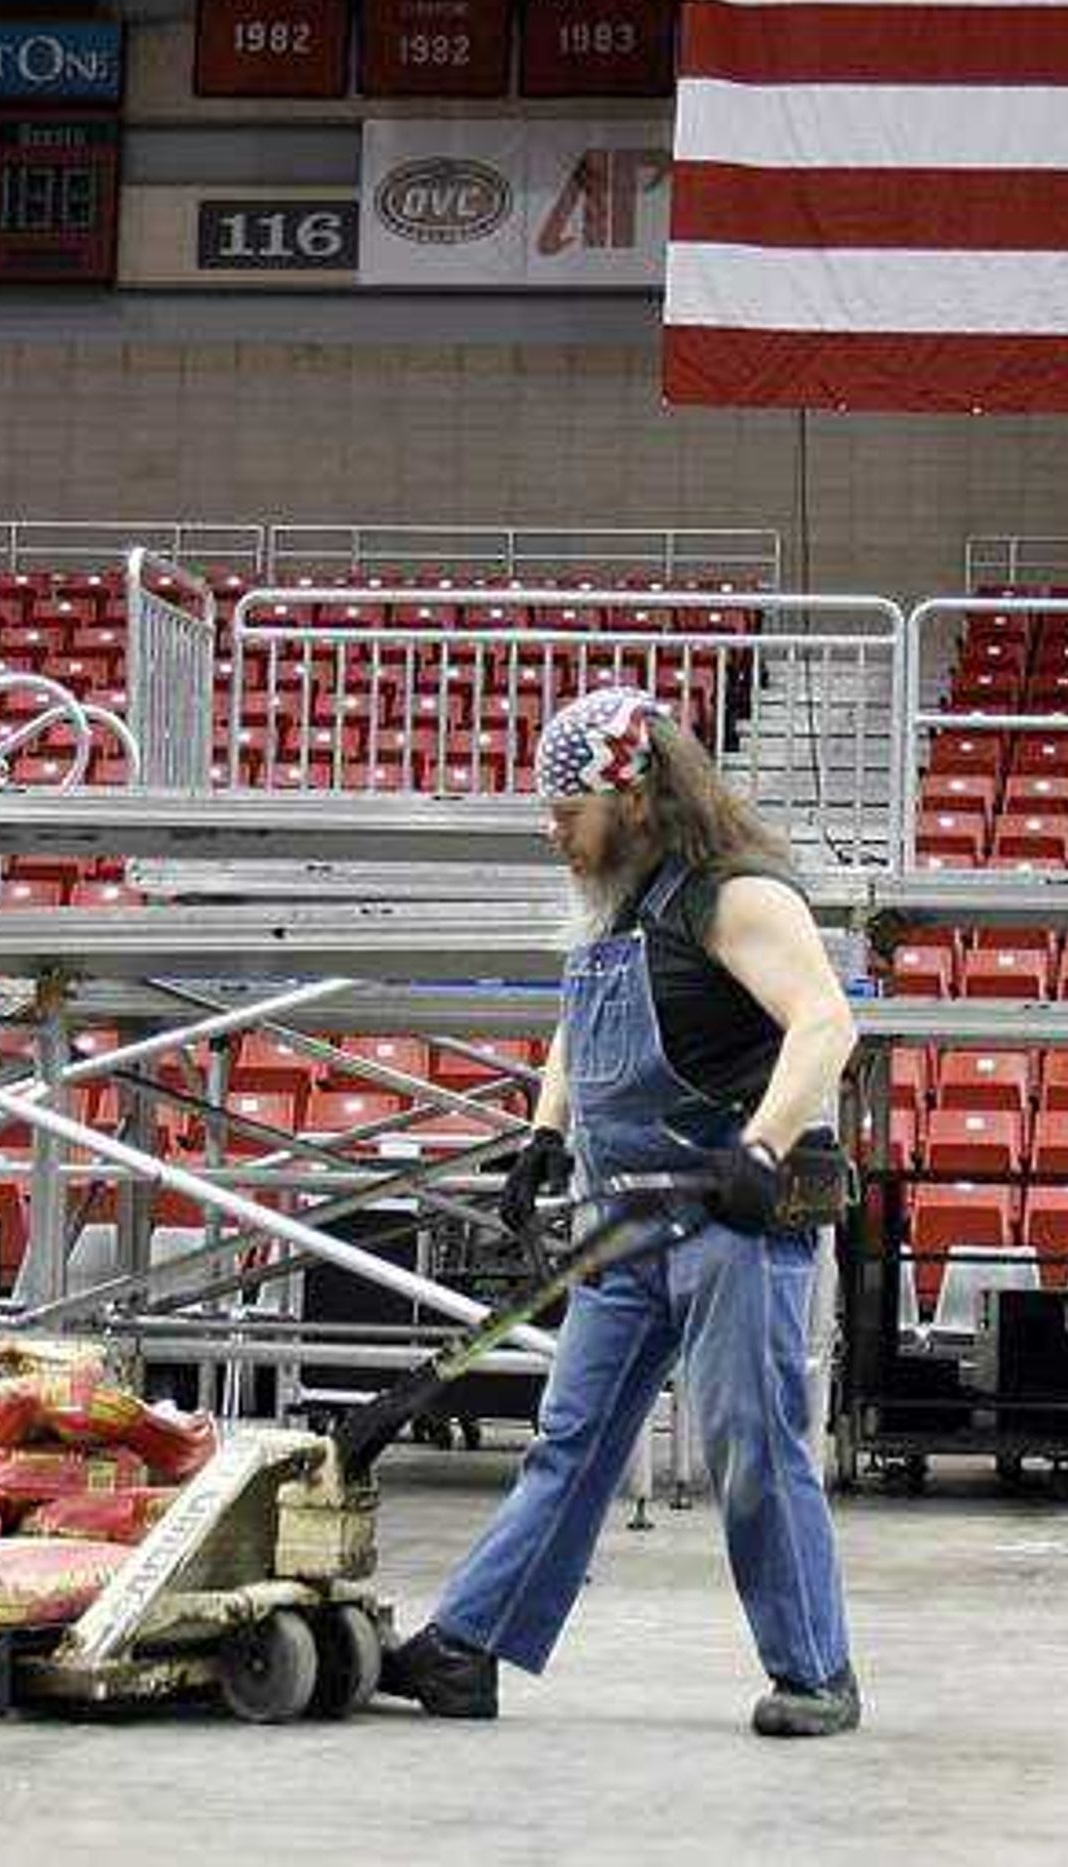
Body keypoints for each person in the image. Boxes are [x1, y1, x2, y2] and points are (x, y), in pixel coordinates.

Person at [374, 682, 864, 1738]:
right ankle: (470, 1644)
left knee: (749, 1439)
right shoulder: (618, 904)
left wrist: (761, 1147)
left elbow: (826, 1024)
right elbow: (582, 1018)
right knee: (573, 1434)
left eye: (567, 811)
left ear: (635, 797)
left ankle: (816, 1669)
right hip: (629, 1215)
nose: (554, 831)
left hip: (732, 1214)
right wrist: (543, 1133)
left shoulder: (735, 896)